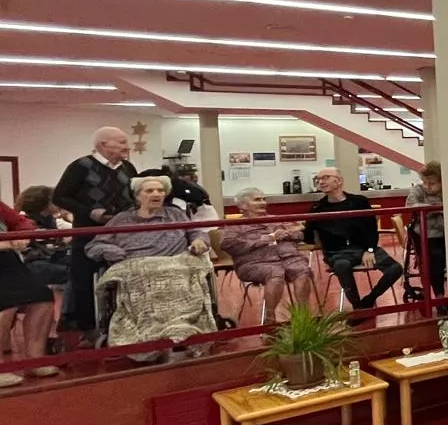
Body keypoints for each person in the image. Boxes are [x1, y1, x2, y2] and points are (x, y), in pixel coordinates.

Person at [86, 175, 218, 357]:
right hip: (136, 265)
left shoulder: (176, 214)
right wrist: (112, 250)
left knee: (182, 278)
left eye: (160, 190)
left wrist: (199, 240)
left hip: (175, 263)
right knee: (143, 283)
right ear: (137, 196)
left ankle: (183, 329)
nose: (156, 194)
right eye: (150, 191)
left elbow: (197, 232)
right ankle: (150, 335)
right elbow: (93, 246)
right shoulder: (121, 219)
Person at [53, 126, 138, 341]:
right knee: (85, 278)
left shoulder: (128, 168)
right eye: (120, 142)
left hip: (122, 233)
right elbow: (60, 197)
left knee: (122, 275)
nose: (126, 146)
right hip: (88, 232)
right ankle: (87, 327)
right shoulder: (81, 167)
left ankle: (122, 322)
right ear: (103, 144)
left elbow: (135, 196)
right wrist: (90, 212)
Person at [304, 168, 403, 313]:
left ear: (339, 181)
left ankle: (368, 300)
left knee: (396, 269)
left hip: (365, 248)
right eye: (317, 179)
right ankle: (358, 308)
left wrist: (368, 250)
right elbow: (308, 236)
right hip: (336, 253)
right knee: (342, 266)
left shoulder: (359, 201)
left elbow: (371, 229)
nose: (320, 181)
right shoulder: (317, 208)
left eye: (325, 177)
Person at [221, 187, 313, 323]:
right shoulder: (235, 225)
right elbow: (227, 245)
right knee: (275, 273)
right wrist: (260, 241)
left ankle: (303, 316)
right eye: (257, 200)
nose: (263, 203)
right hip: (255, 263)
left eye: (264, 199)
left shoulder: (277, 220)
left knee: (302, 270)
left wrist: (287, 234)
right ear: (243, 206)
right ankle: (269, 318)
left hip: (288, 257)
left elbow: (300, 235)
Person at [0, 201, 58, 387]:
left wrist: (22, 235)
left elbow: (21, 221)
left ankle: (34, 361)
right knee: (6, 305)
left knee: (43, 298)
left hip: (6, 261)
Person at [406, 161, 447, 298]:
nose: (427, 187)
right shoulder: (418, 190)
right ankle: (439, 296)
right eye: (425, 182)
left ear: (442, 182)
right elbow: (411, 204)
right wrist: (436, 208)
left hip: (447, 234)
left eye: (432, 183)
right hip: (425, 235)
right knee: (436, 258)